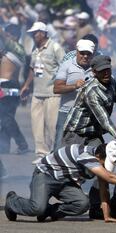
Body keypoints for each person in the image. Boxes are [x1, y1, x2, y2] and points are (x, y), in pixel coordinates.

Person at [4, 143, 116, 222]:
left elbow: (103, 187)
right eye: (105, 161)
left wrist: (107, 216)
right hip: (46, 175)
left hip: (65, 182)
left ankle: (48, 211)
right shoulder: (85, 155)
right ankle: (12, 201)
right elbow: (109, 177)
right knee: (36, 208)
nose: (105, 165)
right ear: (98, 156)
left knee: (82, 204)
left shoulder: (97, 160)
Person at [20, 22, 66, 164]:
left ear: (43, 33)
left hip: (52, 93)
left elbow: (65, 66)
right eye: (33, 33)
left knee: (52, 126)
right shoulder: (35, 49)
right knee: (37, 125)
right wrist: (26, 86)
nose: (34, 35)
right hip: (37, 93)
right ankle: (41, 154)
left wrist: (61, 83)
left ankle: (54, 153)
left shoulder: (55, 47)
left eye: (36, 33)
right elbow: (32, 70)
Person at [62, 55, 116, 146]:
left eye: (107, 70)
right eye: (101, 71)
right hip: (76, 133)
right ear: (94, 72)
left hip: (93, 133)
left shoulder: (112, 80)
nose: (106, 73)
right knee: (71, 159)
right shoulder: (91, 91)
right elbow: (104, 120)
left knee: (98, 158)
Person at [52, 39, 95, 151]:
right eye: (82, 53)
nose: (85, 56)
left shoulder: (96, 69)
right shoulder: (67, 66)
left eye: (88, 54)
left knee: (85, 149)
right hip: (67, 112)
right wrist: (74, 86)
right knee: (59, 146)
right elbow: (56, 88)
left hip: (88, 115)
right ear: (77, 52)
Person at [0, 24, 29, 155]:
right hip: (11, 86)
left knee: (6, 117)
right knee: (7, 117)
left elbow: (2, 35)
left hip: (8, 86)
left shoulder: (16, 48)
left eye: (7, 35)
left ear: (14, 36)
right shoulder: (12, 50)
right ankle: (4, 146)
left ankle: (22, 144)